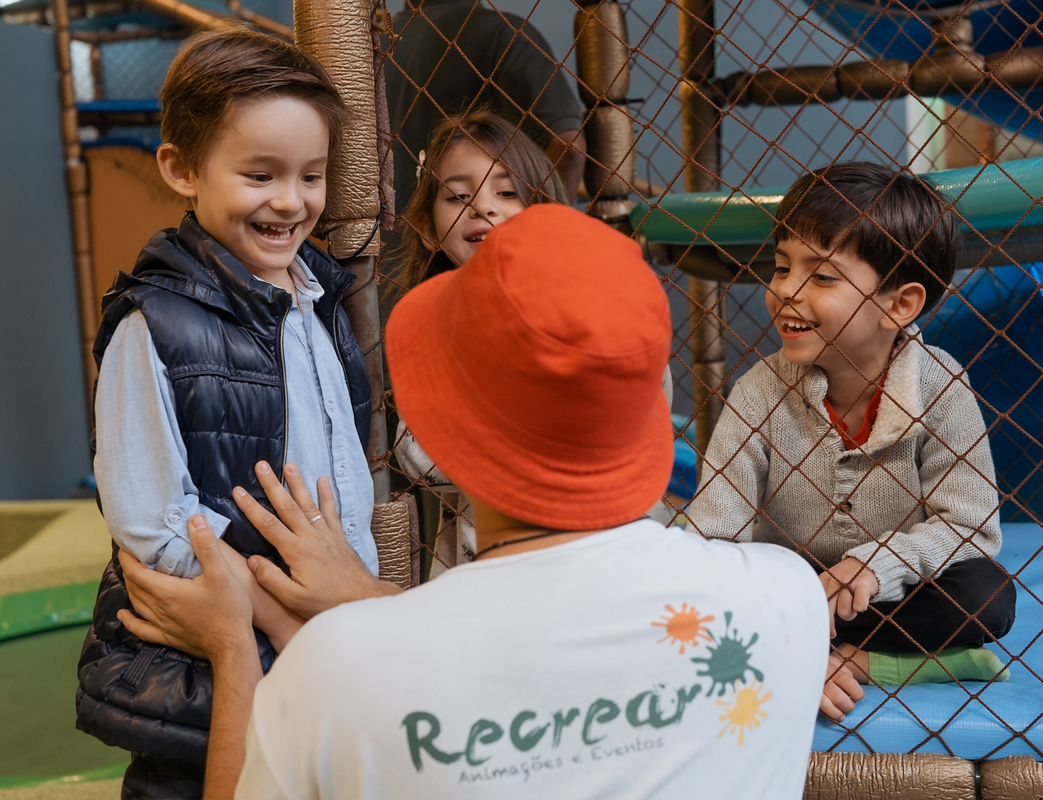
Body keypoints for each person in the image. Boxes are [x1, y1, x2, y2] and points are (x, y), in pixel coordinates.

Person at [117, 204, 830, 799]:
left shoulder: (336, 672)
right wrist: (369, 604)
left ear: (443, 432)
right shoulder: (784, 600)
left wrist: (235, 646)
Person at [76, 24, 380, 798]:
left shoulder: (319, 300)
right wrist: (278, 599)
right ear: (182, 169)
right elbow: (149, 523)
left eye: (311, 175)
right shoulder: (155, 324)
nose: (291, 201)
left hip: (320, 641)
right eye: (259, 174)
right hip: (209, 662)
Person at [685, 162, 1017, 722]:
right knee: (697, 585)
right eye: (783, 265)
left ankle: (854, 658)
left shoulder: (942, 386)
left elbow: (971, 528)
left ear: (900, 305)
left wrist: (878, 560)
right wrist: (765, 609)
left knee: (986, 595)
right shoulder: (758, 391)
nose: (785, 290)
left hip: (883, 596)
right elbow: (717, 532)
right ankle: (806, 651)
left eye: (822, 277)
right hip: (789, 591)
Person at [391, 111, 671, 575]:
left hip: (615, 546)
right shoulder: (431, 329)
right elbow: (418, 456)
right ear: (426, 228)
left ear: (545, 212)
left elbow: (643, 408)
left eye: (507, 192)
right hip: (483, 563)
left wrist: (486, 435)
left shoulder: (597, 305)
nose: (483, 207)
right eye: (459, 196)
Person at [383, 0, 586, 215]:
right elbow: (569, 148)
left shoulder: (372, 48)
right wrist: (544, 231)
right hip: (485, 243)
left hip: (377, 243)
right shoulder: (504, 34)